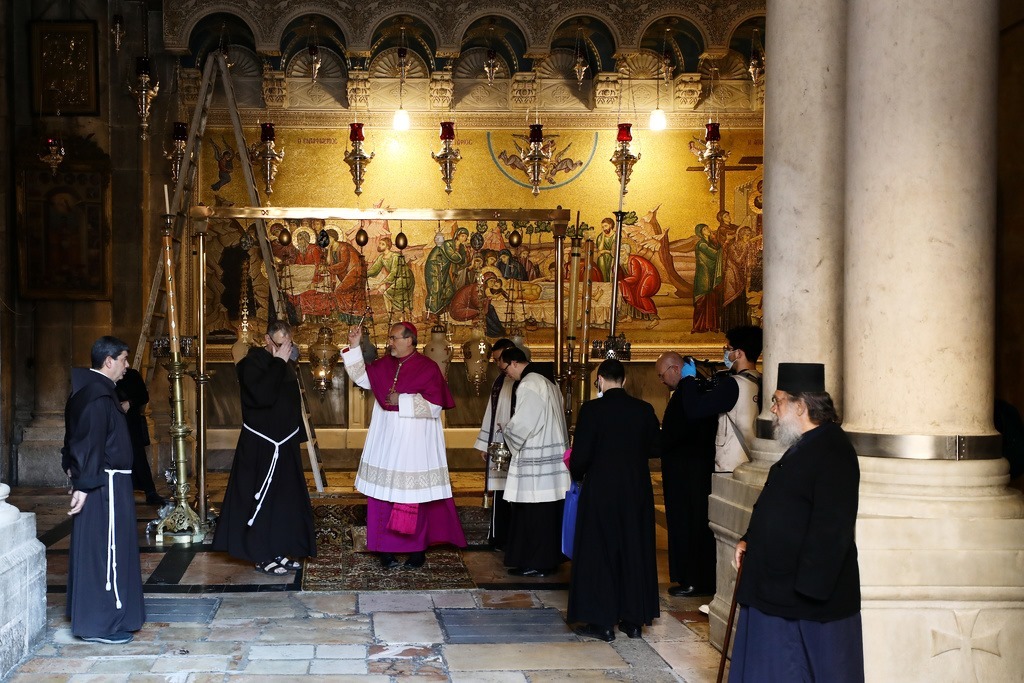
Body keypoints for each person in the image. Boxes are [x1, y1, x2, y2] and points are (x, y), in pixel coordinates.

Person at [730, 362, 863, 682]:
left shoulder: (834, 450)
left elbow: (832, 528)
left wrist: (805, 593)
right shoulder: (806, 445)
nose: (773, 409)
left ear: (801, 406)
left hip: (802, 602)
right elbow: (778, 504)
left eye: (777, 401)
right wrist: (749, 539)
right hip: (776, 590)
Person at [343, 322, 466, 569]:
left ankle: (417, 551)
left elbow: (435, 406)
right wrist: (355, 345)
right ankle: (384, 550)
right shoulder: (383, 364)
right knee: (382, 495)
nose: (389, 342)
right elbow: (363, 378)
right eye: (390, 338)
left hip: (415, 441)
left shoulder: (428, 367)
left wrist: (402, 400)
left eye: (394, 338)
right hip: (386, 439)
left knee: (414, 495)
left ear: (409, 340)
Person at [567, 359, 661, 642]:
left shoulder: (592, 410)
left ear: (599, 380)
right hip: (636, 490)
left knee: (600, 552)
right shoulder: (644, 409)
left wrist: (577, 474)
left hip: (601, 490)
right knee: (634, 549)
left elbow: (580, 457)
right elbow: (655, 447)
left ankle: (602, 623)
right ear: (625, 380)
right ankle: (633, 622)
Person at [212, 321, 316, 575]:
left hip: (285, 443)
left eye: (289, 344)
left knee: (283, 499)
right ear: (268, 340)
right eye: (280, 344)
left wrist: (295, 437)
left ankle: (278, 549)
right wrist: (279, 362)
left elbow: (290, 400)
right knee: (260, 498)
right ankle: (260, 555)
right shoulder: (251, 363)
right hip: (261, 444)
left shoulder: (285, 362)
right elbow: (262, 397)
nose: (286, 349)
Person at [61, 336, 145, 644]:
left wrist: (75, 471)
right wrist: (83, 485)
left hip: (108, 481)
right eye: (123, 360)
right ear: (108, 361)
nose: (127, 366)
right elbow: (87, 441)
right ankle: (99, 624)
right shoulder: (97, 395)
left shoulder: (95, 390)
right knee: (105, 551)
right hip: (103, 484)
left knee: (106, 547)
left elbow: (76, 439)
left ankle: (103, 615)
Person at [499, 346, 570, 576]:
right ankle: (546, 560)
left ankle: (536, 562)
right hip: (552, 459)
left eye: (506, 370)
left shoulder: (529, 383)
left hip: (536, 459)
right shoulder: (549, 382)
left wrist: (507, 430)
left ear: (514, 362)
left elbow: (525, 422)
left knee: (533, 512)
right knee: (547, 513)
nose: (508, 375)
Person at [654, 351, 719, 598]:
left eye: (662, 375)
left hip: (690, 472)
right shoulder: (688, 390)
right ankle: (689, 577)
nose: (661, 380)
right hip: (686, 470)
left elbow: (683, 429)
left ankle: (694, 580)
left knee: (690, 523)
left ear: (675, 369)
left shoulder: (691, 390)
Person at [679, 325, 763, 474]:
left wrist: (688, 379)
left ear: (738, 353)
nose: (726, 353)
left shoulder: (733, 384)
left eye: (728, 349)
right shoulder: (761, 380)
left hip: (732, 465)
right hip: (754, 462)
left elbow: (694, 409)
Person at [473, 338, 518, 548]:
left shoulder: (526, 381)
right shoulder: (500, 381)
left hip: (518, 445)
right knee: (501, 491)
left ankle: (514, 539)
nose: (498, 365)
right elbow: (491, 412)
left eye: (501, 359)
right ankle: (500, 537)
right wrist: (487, 444)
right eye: (496, 360)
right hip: (500, 444)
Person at [115, 367, 165, 506]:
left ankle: (150, 492)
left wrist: (129, 403)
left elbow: (143, 396)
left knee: (138, 456)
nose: (126, 363)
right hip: (113, 424)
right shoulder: (105, 377)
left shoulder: (132, 375)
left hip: (131, 423)